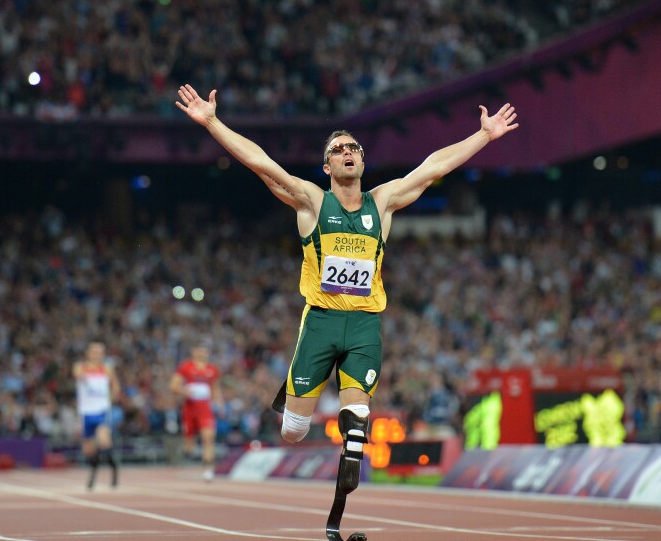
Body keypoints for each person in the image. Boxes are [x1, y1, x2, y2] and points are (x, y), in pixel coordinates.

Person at [176, 84, 518, 538]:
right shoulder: (313, 202)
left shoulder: (383, 201)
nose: (348, 151)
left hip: (363, 324)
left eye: (354, 146)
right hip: (318, 321)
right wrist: (212, 122)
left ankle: (348, 471)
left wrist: (484, 136)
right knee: (294, 431)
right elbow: (262, 164)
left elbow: (432, 167)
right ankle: (302, 402)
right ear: (328, 166)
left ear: (361, 160)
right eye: (338, 149)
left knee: (357, 418)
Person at [169, 339, 224, 481]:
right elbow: (173, 386)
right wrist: (184, 391)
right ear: (194, 352)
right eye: (199, 350)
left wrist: (220, 404)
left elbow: (216, 388)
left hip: (205, 408)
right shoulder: (185, 367)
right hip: (189, 408)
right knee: (189, 445)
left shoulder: (212, 370)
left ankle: (208, 470)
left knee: (208, 438)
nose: (202, 353)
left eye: (204, 350)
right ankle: (187, 452)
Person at [73, 340, 121, 490]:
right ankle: (94, 471)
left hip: (102, 411)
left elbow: (115, 386)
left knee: (104, 442)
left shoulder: (107, 369)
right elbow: (77, 375)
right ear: (88, 353)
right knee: (89, 450)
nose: (97, 355)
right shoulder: (80, 367)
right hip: (86, 412)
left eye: (100, 352)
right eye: (94, 352)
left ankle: (113, 470)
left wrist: (111, 398)